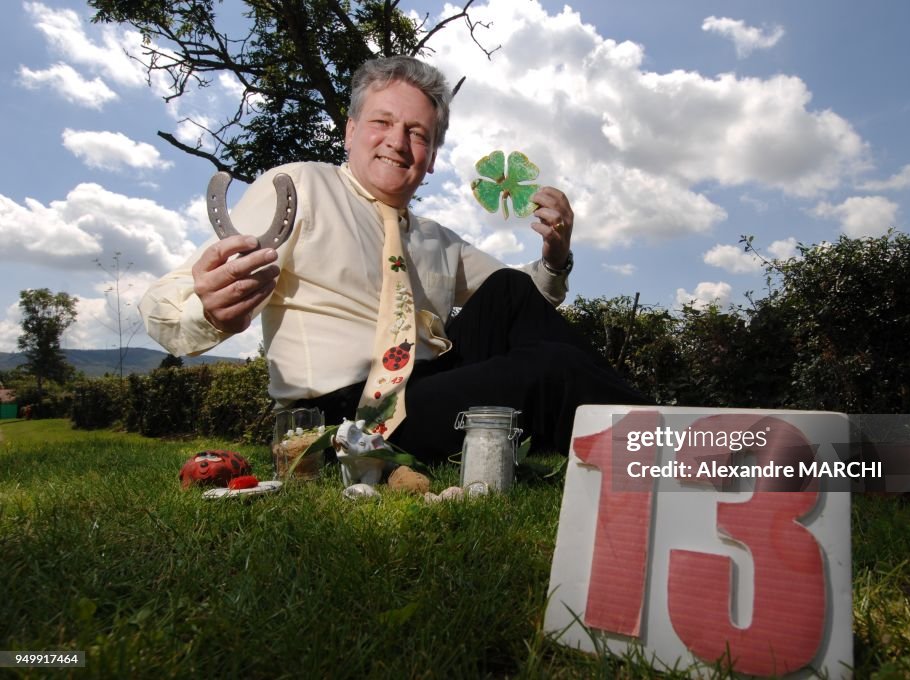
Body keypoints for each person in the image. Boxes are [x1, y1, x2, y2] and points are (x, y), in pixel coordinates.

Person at [140, 55, 648, 462]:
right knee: (552, 368)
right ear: (351, 131)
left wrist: (555, 257)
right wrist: (205, 309)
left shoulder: (438, 239)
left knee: (509, 290)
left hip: (428, 393)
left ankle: (658, 431)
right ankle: (662, 449)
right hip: (343, 413)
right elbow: (171, 294)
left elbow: (530, 303)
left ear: (430, 158)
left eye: (419, 134)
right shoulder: (299, 185)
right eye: (382, 122)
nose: (398, 143)